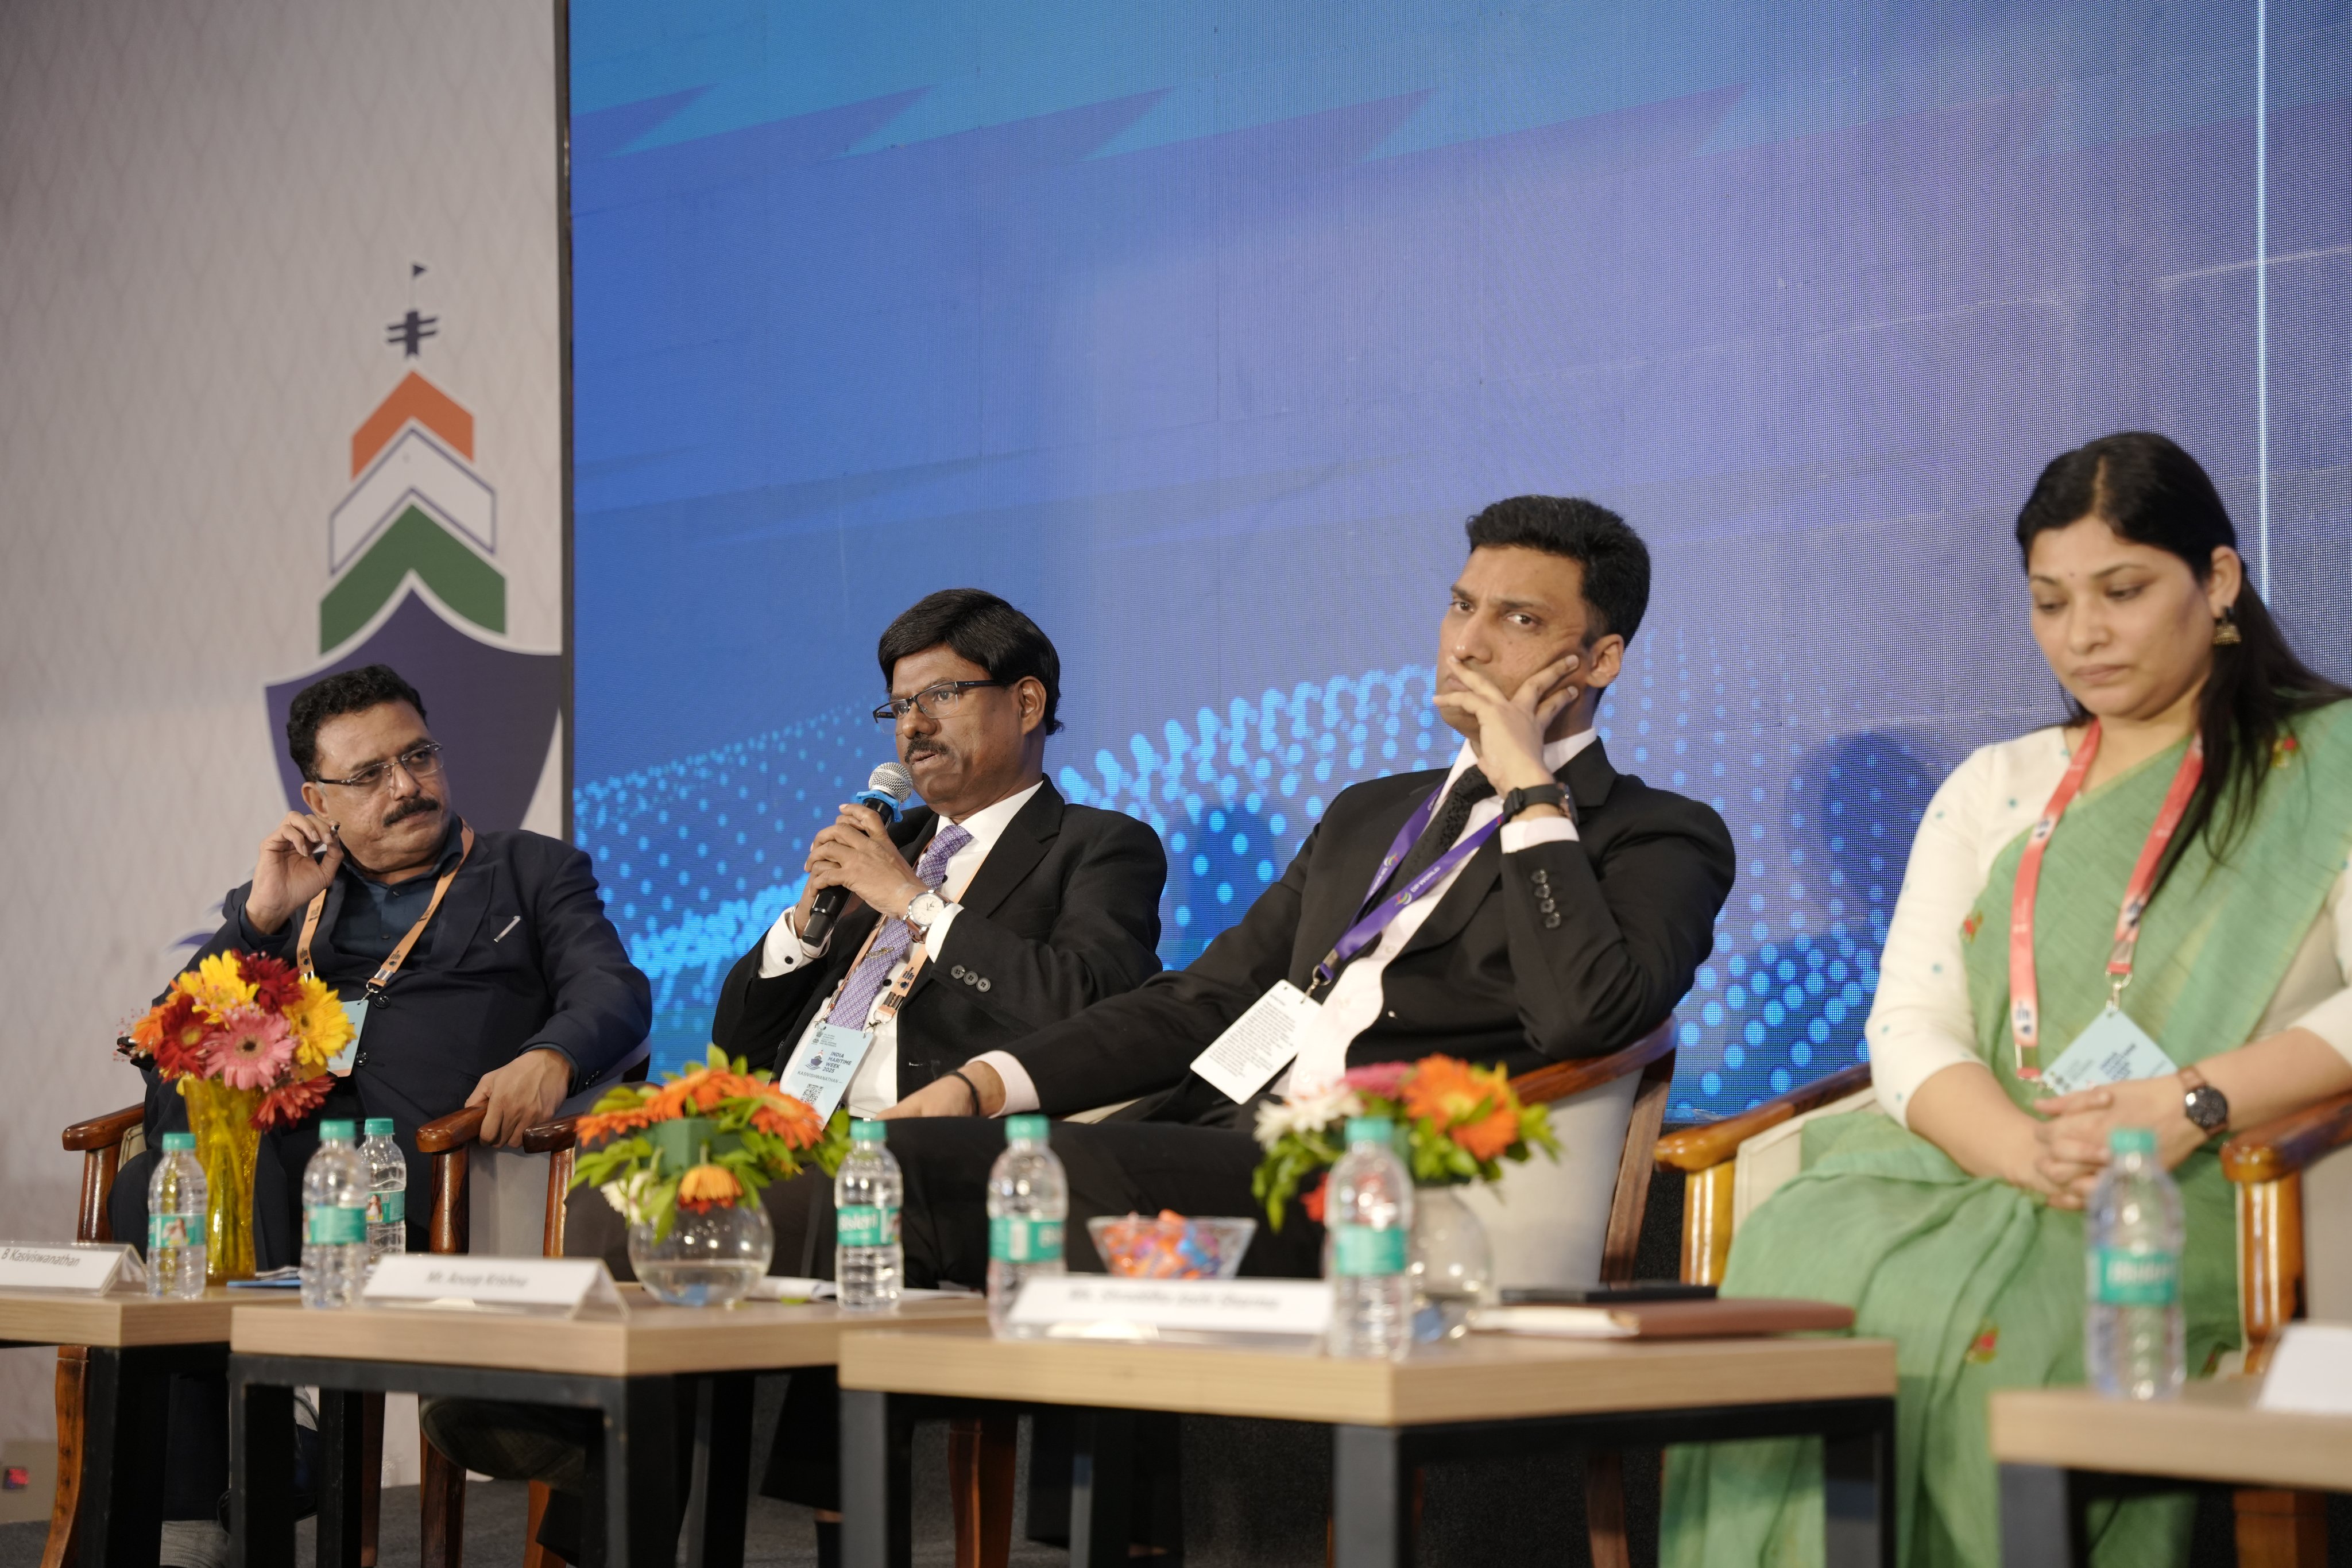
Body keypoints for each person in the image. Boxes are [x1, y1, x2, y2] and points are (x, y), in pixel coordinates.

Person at [742, 496, 1734, 1560]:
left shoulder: (1658, 834)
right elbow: (1202, 1000)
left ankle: (1122, 1547)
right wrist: (985, 1083)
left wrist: (1531, 788)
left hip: (1394, 1186)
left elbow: (1587, 1011)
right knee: (869, 1172)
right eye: (1461, 606)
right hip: (1225, 1146)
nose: (1471, 642)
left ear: (1600, 659)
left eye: (1520, 620)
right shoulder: (1370, 813)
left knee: (1050, 1177)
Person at [1661, 433, 2352, 1568]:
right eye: (2050, 601)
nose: (2083, 634)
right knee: (1802, 1253)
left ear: (2217, 580)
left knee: (2015, 1317)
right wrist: (2024, 1154)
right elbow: (1908, 1026)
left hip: (2198, 1179)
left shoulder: (2324, 766)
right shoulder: (1997, 784)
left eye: (2122, 591)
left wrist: (2188, 1103)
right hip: (1984, 1162)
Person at [483, 590, 1166, 1565]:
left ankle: (580, 1446)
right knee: (628, 1167)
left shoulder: (1099, 846)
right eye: (899, 706)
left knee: (748, 1194)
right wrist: (805, 929)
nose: (914, 725)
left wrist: (917, 906)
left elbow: (1092, 1003)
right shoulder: (894, 848)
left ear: (1026, 702)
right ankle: (578, 1454)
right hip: (800, 1133)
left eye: (941, 696)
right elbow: (739, 1042)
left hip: (940, 1154)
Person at [115, 663, 652, 1568]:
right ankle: (201, 1503)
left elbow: (614, 990)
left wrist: (550, 1054)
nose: (405, 786)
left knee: (230, 1179)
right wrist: (257, 920)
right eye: (368, 775)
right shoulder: (295, 898)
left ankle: (269, 1446)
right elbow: (169, 1035)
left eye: (418, 757)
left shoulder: (530, 870)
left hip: (433, 1179)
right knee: (156, 1179)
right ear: (316, 800)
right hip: (287, 1175)